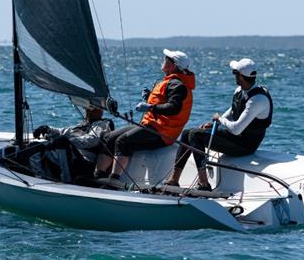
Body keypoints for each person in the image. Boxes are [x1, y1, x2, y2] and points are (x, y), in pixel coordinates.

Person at [166, 58, 272, 190]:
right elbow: (233, 111)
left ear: (240, 75)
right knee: (188, 133)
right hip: (234, 137)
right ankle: (173, 179)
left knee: (195, 135)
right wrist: (213, 122)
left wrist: (220, 119)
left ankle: (203, 183)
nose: (233, 76)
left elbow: (236, 129)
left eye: (234, 73)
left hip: (245, 145)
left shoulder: (258, 99)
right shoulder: (240, 90)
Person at [96, 49, 196, 186]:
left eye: (166, 58)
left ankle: (113, 181)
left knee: (122, 141)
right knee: (108, 137)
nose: (163, 60)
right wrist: (149, 97)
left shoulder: (177, 85)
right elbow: (163, 101)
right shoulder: (172, 82)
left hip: (162, 132)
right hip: (151, 125)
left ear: (173, 65)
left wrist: (150, 107)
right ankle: (98, 177)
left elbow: (174, 108)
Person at [33, 104, 115, 174]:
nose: (88, 111)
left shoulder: (102, 124)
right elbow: (64, 131)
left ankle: (66, 180)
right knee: (35, 146)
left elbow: (91, 140)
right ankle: (36, 173)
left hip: (85, 161)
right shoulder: (83, 124)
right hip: (73, 156)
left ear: (101, 111)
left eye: (91, 109)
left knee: (62, 142)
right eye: (87, 108)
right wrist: (47, 129)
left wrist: (69, 141)